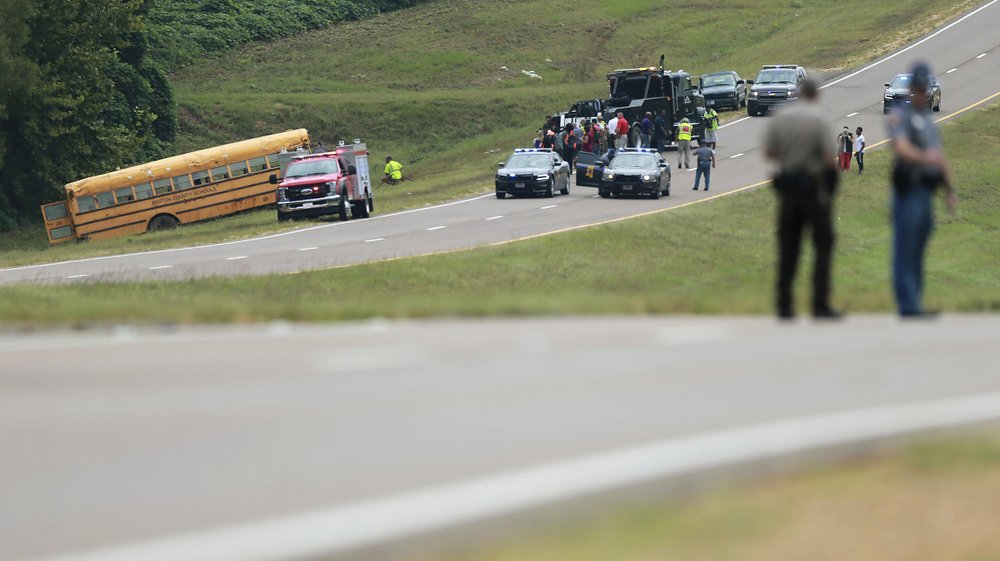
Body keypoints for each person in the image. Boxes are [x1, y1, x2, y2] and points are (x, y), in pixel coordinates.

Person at [763, 78, 841, 320]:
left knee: (788, 246)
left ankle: (784, 303)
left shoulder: (780, 116)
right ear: (815, 94)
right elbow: (830, 158)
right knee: (822, 244)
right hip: (812, 187)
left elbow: (769, 153)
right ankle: (820, 302)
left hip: (787, 187)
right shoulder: (818, 118)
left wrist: (789, 156)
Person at [887, 61, 957, 318]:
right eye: (918, 88)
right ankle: (908, 305)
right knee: (905, 246)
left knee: (918, 247)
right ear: (912, 89)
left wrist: (949, 188)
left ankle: (915, 300)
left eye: (924, 88)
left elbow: (939, 156)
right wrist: (924, 157)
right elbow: (901, 147)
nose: (921, 93)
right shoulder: (901, 116)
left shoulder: (928, 121)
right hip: (908, 191)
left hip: (926, 192)